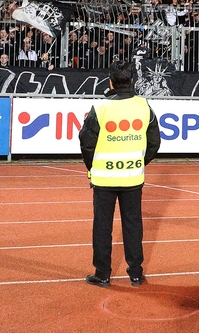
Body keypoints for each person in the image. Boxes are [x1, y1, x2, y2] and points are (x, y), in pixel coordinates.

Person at [79, 61, 161, 287]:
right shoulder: (144, 106)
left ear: (110, 82)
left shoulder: (101, 108)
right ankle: (136, 273)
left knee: (102, 227)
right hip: (133, 178)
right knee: (133, 225)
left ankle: (102, 274)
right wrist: (139, 162)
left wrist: (92, 168)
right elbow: (154, 143)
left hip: (104, 179)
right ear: (132, 80)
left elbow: (86, 143)